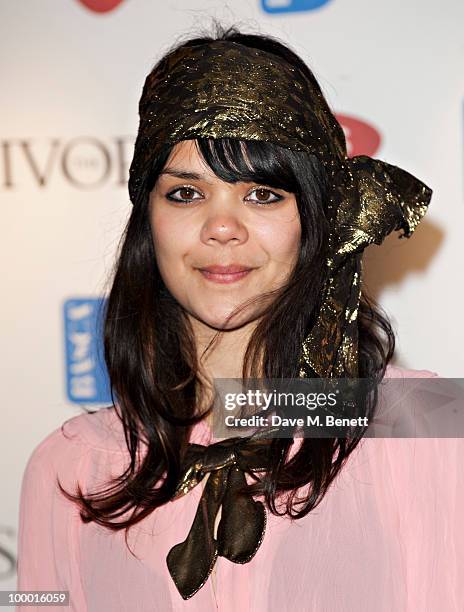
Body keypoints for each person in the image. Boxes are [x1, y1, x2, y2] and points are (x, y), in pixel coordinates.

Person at [16, 24, 464, 611]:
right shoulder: (70, 468)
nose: (222, 227)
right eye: (185, 193)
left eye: (262, 194)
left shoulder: (424, 431)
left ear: (315, 222)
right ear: (147, 223)